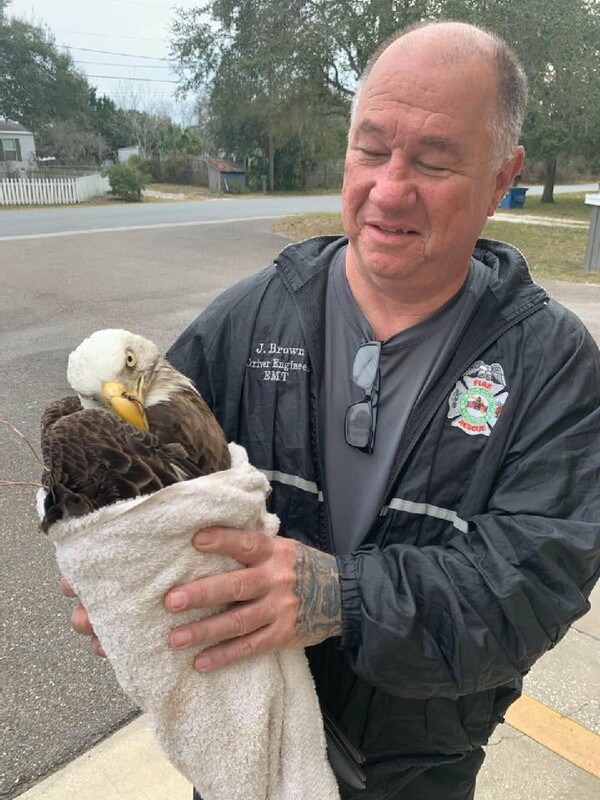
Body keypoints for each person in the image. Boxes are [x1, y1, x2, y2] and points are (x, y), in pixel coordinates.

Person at [66, 21, 600, 799]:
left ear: (501, 177)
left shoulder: (551, 363)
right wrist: (121, 580)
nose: (389, 189)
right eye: (371, 148)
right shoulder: (252, 317)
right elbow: (148, 490)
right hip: (245, 745)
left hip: (420, 768)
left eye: (435, 160)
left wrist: (335, 597)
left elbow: (533, 586)